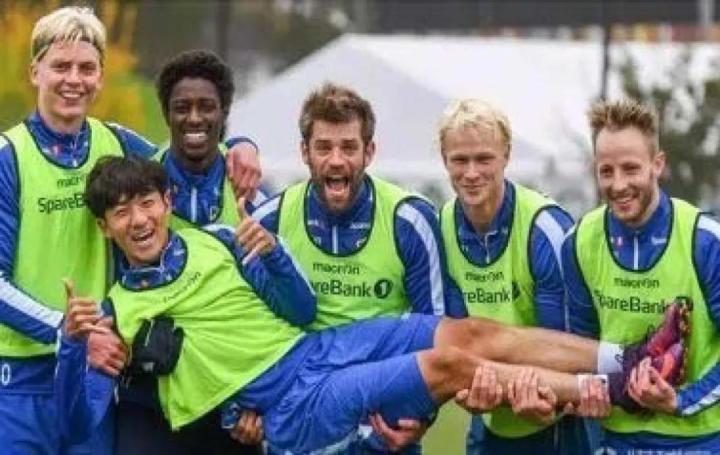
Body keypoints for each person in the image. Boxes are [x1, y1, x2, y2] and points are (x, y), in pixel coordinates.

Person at [59, 156, 689, 454]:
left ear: (167, 203)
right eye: (121, 212)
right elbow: (82, 421)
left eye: (147, 203)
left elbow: (299, 308)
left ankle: (628, 356)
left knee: (466, 332)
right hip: (288, 406)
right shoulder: (115, 314)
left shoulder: (218, 238)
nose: (138, 219)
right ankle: (623, 390)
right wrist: (76, 350)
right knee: (449, 367)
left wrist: (274, 256)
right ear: (106, 226)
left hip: (313, 348)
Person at [0, 7, 260, 454]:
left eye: (87, 68)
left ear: (101, 77)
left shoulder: (118, 142)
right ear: (35, 71)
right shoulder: (8, 157)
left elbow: (189, 160)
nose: (74, 79)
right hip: (23, 384)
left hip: (96, 377)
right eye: (61, 66)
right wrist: (69, 333)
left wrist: (240, 145)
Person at [250, 82, 464, 451]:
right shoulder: (270, 220)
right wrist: (243, 410)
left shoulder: (409, 219)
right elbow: (247, 326)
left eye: (349, 147)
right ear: (304, 152)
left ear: (370, 152)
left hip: (385, 428)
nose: (336, 160)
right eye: (323, 147)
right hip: (303, 423)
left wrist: (420, 419)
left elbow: (437, 332)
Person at [111, 50, 264, 454]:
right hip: (150, 397)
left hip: (233, 399)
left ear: (224, 112)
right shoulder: (136, 183)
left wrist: (259, 401)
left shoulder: (253, 194)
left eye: (206, 107)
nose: (194, 118)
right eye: (182, 107)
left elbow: (273, 298)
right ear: (166, 113)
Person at [436, 98, 599, 454]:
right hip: (490, 418)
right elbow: (459, 344)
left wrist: (537, 392)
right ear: (444, 158)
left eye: (484, 159)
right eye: (460, 160)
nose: (471, 173)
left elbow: (567, 348)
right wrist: (469, 385)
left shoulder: (545, 228)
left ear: (506, 155)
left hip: (559, 422)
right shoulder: (442, 226)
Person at [562, 99, 720, 453]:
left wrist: (680, 401)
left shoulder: (705, 240)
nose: (618, 184)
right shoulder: (579, 242)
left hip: (700, 441)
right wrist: (585, 390)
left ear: (657, 165)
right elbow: (579, 347)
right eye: (606, 171)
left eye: (631, 169)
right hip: (617, 440)